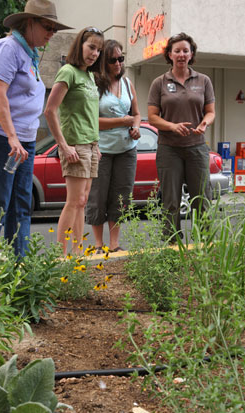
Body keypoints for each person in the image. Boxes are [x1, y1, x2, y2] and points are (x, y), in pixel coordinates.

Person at [0, 0, 72, 257]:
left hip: (24, 140)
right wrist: (12, 137)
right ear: (29, 22)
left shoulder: (29, 52)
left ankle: (20, 268)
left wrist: (21, 138)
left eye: (55, 29)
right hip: (1, 138)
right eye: (48, 26)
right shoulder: (8, 48)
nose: (51, 33)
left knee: (21, 206)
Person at [148, 32, 215, 240]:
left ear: (191, 54)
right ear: (169, 54)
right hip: (169, 149)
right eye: (177, 50)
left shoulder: (203, 80)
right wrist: (172, 126)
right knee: (171, 200)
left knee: (202, 199)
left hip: (196, 148)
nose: (181, 54)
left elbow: (210, 111)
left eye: (186, 50)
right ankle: (172, 246)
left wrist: (205, 123)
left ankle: (203, 245)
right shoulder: (159, 83)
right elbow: (152, 117)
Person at [44, 27, 104, 255]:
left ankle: (77, 254)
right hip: (75, 146)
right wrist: (63, 145)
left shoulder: (89, 76)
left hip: (90, 146)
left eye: (98, 50)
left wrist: (96, 144)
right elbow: (50, 110)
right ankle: (61, 256)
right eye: (91, 47)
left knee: (83, 201)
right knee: (74, 200)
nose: (94, 53)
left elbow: (89, 115)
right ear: (80, 45)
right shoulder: (68, 71)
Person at [86, 39, 141, 253]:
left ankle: (115, 244)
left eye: (121, 58)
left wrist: (135, 126)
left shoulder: (127, 84)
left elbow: (136, 114)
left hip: (127, 150)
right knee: (98, 196)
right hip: (102, 151)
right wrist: (123, 121)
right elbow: (90, 120)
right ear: (102, 61)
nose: (118, 63)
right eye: (112, 59)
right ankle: (99, 245)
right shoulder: (93, 84)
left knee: (121, 196)